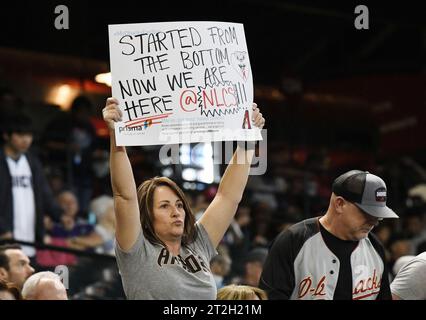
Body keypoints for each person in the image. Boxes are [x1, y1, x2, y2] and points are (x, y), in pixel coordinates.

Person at [102, 97, 265, 299]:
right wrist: (116, 136)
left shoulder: (197, 243)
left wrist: (247, 140)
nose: (176, 212)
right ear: (146, 216)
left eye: (179, 205)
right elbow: (124, 196)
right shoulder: (137, 251)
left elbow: (227, 196)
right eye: (164, 206)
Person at [259, 170, 399, 300]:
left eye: (378, 216)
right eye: (367, 214)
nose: (374, 222)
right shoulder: (293, 241)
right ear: (339, 204)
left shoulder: (375, 247)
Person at [0, 113, 62, 257]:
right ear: (6, 136)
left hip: (29, 237)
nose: (26, 140)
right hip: (5, 237)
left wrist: (59, 215)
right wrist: (2, 229)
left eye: (29, 135)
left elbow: (44, 192)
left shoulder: (32, 162)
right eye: (20, 135)